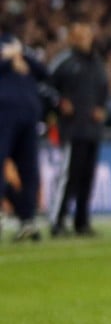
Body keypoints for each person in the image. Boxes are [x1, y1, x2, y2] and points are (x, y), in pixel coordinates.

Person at [48, 21, 109, 237]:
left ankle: (81, 222)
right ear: (73, 39)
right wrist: (59, 103)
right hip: (73, 129)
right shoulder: (64, 62)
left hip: (92, 129)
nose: (85, 39)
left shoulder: (97, 63)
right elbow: (46, 86)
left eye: (87, 34)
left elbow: (104, 90)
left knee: (87, 178)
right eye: (80, 35)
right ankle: (57, 221)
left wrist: (102, 108)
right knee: (68, 177)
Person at [0, 16, 49, 241]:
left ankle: (27, 220)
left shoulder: (17, 46)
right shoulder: (10, 51)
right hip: (4, 110)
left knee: (29, 168)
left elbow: (43, 71)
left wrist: (21, 54)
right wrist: (9, 60)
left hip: (29, 112)